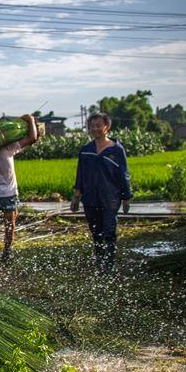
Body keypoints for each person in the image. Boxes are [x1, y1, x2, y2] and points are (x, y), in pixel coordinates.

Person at [0, 115, 39, 269]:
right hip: (8, 194)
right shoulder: (8, 149)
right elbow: (32, 138)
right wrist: (30, 120)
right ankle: (7, 252)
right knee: (10, 225)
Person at [71, 112, 133, 274]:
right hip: (90, 197)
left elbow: (123, 174)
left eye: (98, 125)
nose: (95, 129)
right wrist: (76, 197)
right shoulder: (86, 150)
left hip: (110, 197)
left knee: (109, 229)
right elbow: (80, 175)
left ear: (107, 127)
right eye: (92, 126)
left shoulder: (116, 150)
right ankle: (99, 261)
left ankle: (110, 264)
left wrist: (126, 197)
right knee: (95, 230)